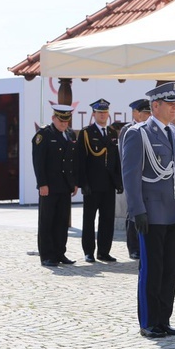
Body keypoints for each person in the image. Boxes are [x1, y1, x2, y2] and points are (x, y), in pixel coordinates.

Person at [121, 82, 175, 339]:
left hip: (172, 210)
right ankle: (149, 322)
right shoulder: (138, 134)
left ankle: (164, 319)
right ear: (155, 105)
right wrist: (137, 210)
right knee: (151, 268)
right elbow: (131, 175)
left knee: (170, 268)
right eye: (170, 104)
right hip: (150, 212)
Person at [32, 103, 79, 267]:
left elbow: (71, 162)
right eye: (61, 121)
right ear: (53, 118)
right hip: (49, 186)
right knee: (47, 220)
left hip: (65, 186)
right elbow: (38, 162)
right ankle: (47, 255)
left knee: (61, 221)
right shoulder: (44, 135)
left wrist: (73, 183)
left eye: (66, 121)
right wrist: (42, 184)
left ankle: (60, 252)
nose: (64, 124)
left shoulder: (70, 135)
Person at [77, 98, 123, 263]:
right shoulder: (86, 133)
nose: (103, 115)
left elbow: (115, 158)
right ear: (94, 114)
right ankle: (89, 251)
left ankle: (104, 251)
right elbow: (80, 160)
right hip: (92, 183)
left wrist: (119, 181)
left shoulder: (111, 133)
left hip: (108, 183)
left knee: (107, 219)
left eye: (105, 112)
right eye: (100, 112)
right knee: (89, 219)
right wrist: (83, 183)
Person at [119, 98, 151, 259]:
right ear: (135, 113)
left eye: (148, 112)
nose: (147, 116)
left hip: (148, 178)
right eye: (144, 113)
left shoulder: (149, 129)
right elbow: (124, 156)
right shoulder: (128, 130)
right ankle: (133, 247)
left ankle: (142, 245)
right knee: (133, 212)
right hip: (133, 175)